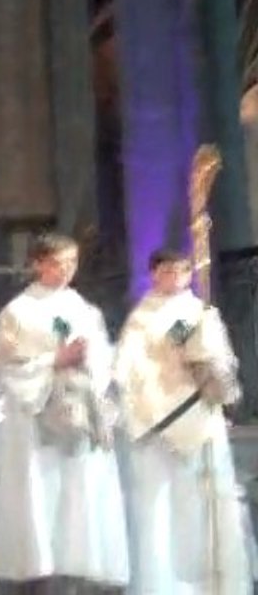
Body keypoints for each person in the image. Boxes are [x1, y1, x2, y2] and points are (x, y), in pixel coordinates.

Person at [0, 232, 129, 590]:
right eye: (57, 262)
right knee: (42, 493)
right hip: (38, 422)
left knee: (81, 492)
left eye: (72, 262)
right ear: (37, 263)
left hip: (79, 414)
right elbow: (8, 366)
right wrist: (56, 360)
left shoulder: (83, 308)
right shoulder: (17, 313)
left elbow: (102, 356)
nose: (66, 270)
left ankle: (82, 569)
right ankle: (42, 570)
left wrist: (90, 367)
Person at [115, 248, 252, 594]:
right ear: (154, 274)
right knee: (162, 511)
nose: (175, 277)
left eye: (182, 271)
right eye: (167, 271)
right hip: (158, 426)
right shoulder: (140, 319)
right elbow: (129, 370)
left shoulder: (203, 312)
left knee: (206, 506)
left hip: (200, 419)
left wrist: (208, 365)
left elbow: (223, 365)